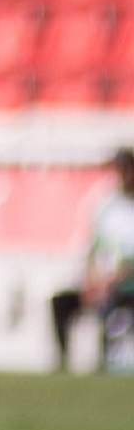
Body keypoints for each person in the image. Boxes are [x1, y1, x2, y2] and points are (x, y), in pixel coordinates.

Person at [51, 147, 134, 374]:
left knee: (113, 306)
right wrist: (90, 280)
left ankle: (107, 365)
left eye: (126, 168)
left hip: (125, 287)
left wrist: (113, 281)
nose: (121, 174)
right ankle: (63, 365)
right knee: (61, 302)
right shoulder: (107, 207)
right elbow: (93, 248)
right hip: (101, 283)